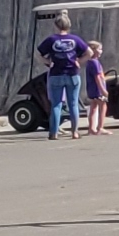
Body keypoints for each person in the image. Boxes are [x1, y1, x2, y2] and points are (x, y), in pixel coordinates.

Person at [37, 12, 89, 141]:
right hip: (72, 73)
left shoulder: (51, 40)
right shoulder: (75, 39)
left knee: (56, 104)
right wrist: (79, 61)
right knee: (73, 104)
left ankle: (54, 133)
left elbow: (38, 54)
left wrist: (48, 62)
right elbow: (89, 52)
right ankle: (75, 132)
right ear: (69, 26)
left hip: (56, 74)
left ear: (55, 26)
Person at [84, 41, 110, 136]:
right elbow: (98, 77)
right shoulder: (95, 63)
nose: (101, 51)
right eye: (99, 49)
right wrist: (103, 90)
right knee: (103, 106)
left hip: (91, 89)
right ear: (93, 50)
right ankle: (100, 127)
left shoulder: (89, 62)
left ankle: (91, 128)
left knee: (93, 107)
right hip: (97, 89)